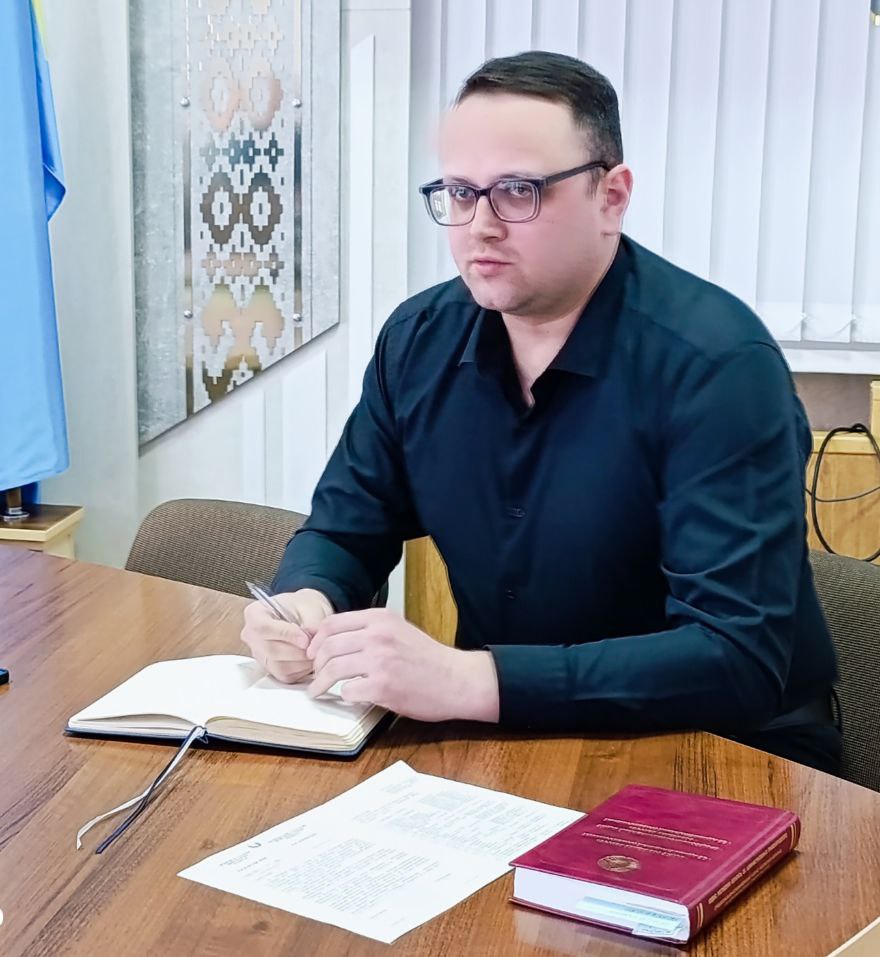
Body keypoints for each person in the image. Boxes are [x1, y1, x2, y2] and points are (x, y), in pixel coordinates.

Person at [239, 51, 840, 772]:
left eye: (517, 191)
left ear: (611, 196)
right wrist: (306, 598)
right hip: (510, 735)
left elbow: (736, 657)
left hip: (721, 751)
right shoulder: (419, 340)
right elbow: (346, 524)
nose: (480, 225)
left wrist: (471, 680)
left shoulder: (718, 367)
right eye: (460, 192)